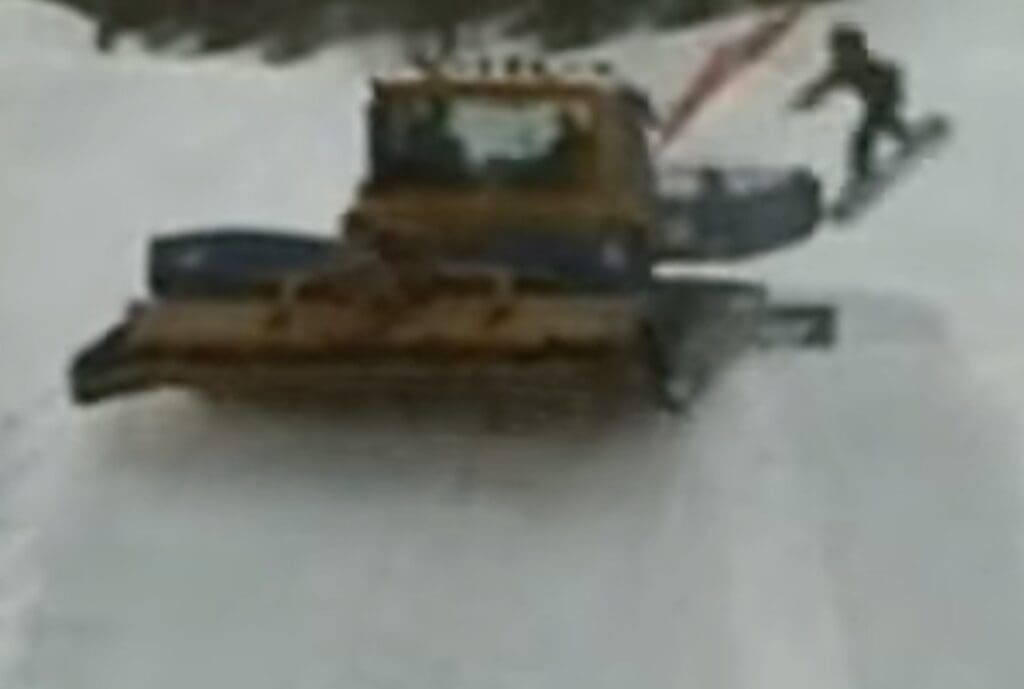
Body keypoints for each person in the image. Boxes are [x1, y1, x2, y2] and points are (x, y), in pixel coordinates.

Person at [792, 23, 912, 183]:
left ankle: (902, 138)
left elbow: (892, 74)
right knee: (870, 129)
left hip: (887, 95)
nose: (840, 57)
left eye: (844, 52)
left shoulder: (865, 64)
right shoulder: (842, 70)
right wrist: (805, 100)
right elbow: (822, 86)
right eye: (838, 53)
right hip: (874, 102)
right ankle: (865, 169)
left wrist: (890, 92)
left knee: (872, 127)